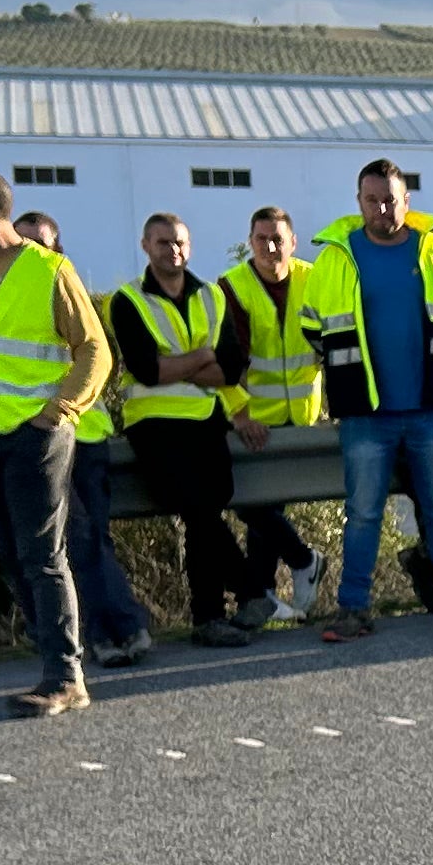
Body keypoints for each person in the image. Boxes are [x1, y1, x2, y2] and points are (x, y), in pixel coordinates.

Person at [0, 165, 112, 717]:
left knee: (42, 555)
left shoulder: (47, 269)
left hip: (34, 434)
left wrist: (58, 411)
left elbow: (94, 349)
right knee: (14, 556)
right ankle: (51, 666)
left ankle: (65, 677)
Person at [299, 159, 433, 639]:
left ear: (406, 202)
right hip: (366, 414)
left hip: (430, 408)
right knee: (364, 514)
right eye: (372, 200)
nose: (382, 209)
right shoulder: (335, 257)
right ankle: (353, 609)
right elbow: (313, 327)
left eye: (391, 200)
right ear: (359, 203)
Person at [109, 212, 256, 646]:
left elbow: (230, 369)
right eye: (162, 243)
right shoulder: (127, 300)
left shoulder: (212, 295)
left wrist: (184, 366)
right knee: (198, 510)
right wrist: (201, 358)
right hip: (153, 424)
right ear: (145, 246)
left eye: (179, 243)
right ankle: (240, 594)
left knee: (203, 515)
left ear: (188, 247)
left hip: (205, 422)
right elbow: (147, 370)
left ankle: (212, 617)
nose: (172, 250)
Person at [218, 205, 327, 624]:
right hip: (253, 419)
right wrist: (240, 416)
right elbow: (225, 363)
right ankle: (302, 561)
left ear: (293, 242)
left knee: (265, 512)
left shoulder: (313, 280)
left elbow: (332, 345)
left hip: (301, 418)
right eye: (262, 238)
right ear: (251, 242)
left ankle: (262, 599)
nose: (270, 247)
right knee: (252, 507)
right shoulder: (233, 288)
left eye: (278, 238)